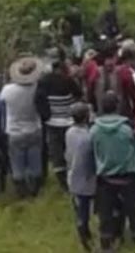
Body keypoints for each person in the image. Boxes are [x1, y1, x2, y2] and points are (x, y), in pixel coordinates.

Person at [91, 92, 135, 249]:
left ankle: (107, 240)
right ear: (117, 106)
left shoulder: (94, 130)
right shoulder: (127, 128)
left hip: (105, 177)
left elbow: (92, 152)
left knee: (106, 212)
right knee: (134, 210)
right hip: (129, 175)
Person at [1, 56, 45, 197]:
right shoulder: (37, 88)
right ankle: (35, 190)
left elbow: (2, 105)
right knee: (35, 159)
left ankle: (21, 190)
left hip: (14, 131)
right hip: (34, 128)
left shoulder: (7, 90)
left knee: (17, 162)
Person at [37, 56, 82, 191]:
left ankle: (62, 182)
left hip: (52, 122)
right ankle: (72, 176)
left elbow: (38, 99)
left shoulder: (44, 81)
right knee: (69, 149)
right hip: (68, 121)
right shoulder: (68, 80)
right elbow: (78, 94)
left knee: (56, 152)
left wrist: (46, 115)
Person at [65, 103, 97, 251]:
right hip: (88, 179)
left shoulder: (69, 132)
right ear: (86, 117)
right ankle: (89, 237)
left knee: (80, 210)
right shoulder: (89, 136)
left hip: (73, 176)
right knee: (90, 208)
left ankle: (83, 234)